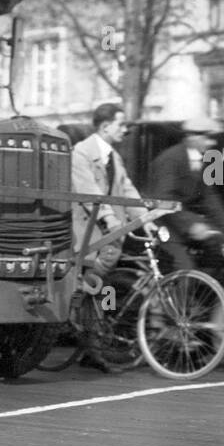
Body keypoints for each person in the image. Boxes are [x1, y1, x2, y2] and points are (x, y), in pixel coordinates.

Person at [69, 103, 142, 371]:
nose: (125, 130)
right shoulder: (81, 154)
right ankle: (92, 348)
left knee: (101, 288)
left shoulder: (114, 156)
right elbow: (91, 195)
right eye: (121, 124)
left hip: (109, 237)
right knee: (93, 288)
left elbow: (126, 189)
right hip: (89, 235)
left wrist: (146, 218)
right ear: (105, 126)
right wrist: (111, 220)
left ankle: (91, 344)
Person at [145, 116, 224, 274]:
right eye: (208, 138)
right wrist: (191, 225)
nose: (212, 143)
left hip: (180, 220)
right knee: (185, 269)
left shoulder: (199, 159)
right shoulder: (171, 159)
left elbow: (208, 196)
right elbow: (163, 199)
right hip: (162, 223)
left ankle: (215, 296)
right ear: (192, 137)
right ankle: (176, 297)